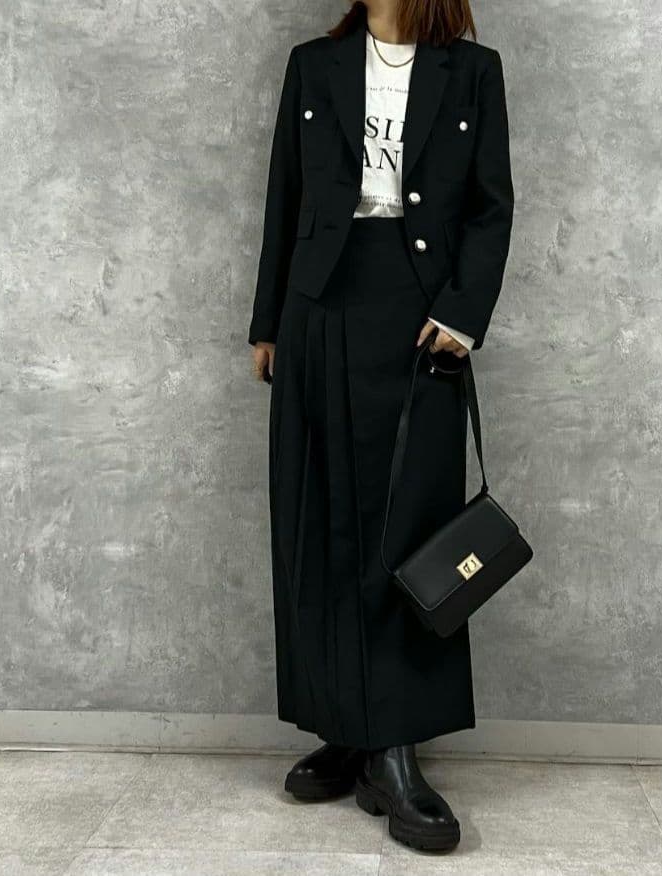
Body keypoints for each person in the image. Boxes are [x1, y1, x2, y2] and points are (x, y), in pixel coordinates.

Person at [248, 0, 513, 853]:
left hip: (420, 310)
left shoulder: (473, 71)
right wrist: (268, 324)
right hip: (320, 305)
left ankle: (395, 744)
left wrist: (463, 313)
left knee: (408, 524)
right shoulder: (312, 65)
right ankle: (346, 728)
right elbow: (285, 194)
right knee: (322, 518)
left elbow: (491, 206)